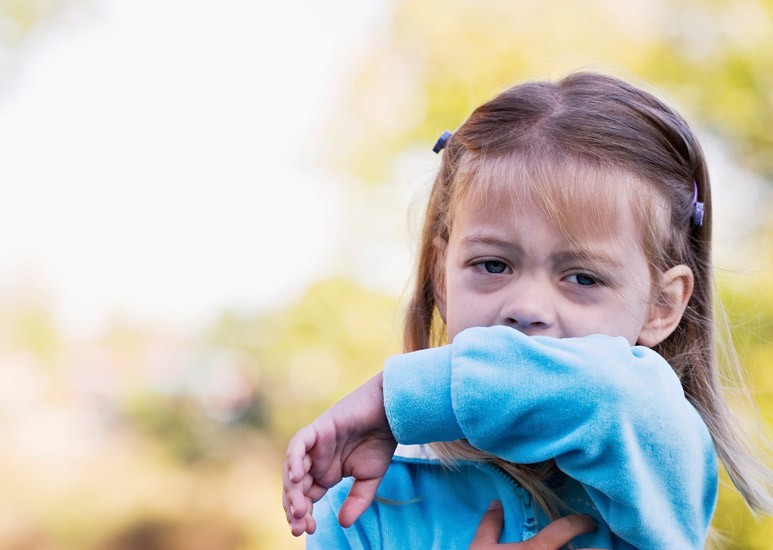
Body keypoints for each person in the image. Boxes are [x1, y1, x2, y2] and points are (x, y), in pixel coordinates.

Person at [282, 72, 773, 549]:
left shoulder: (655, 448)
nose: (526, 307)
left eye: (583, 278)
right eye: (493, 264)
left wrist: (397, 398)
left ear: (661, 307)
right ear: (441, 278)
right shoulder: (366, 500)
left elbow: (610, 391)